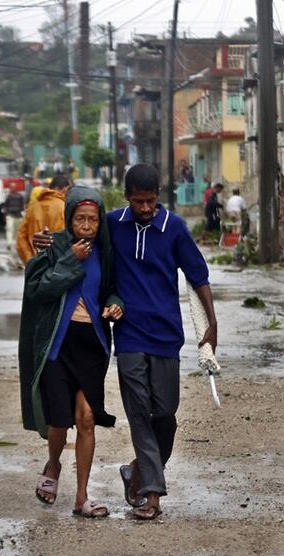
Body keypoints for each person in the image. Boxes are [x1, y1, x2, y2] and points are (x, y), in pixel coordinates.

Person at [35, 164, 217, 521]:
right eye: (138, 201)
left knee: (165, 413)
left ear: (159, 197)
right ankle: (152, 494)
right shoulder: (113, 224)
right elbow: (79, 232)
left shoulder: (175, 228)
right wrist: (48, 242)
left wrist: (212, 323)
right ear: (126, 197)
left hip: (166, 336)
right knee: (139, 414)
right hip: (129, 335)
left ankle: (137, 470)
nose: (145, 208)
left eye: (150, 201)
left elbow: (198, 276)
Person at [19, 186, 125, 518]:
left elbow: (112, 290)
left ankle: (82, 497)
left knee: (87, 418)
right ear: (69, 218)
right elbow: (38, 290)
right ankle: (53, 464)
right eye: (80, 219)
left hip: (91, 345)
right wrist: (69, 260)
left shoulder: (106, 253)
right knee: (59, 421)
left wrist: (115, 305)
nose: (87, 225)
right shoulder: (55, 248)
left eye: (93, 219)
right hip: (58, 345)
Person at [16, 175, 71, 263]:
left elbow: (21, 239)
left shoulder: (32, 208)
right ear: (65, 189)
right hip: (58, 265)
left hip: (35, 263)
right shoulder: (64, 208)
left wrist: (30, 261)